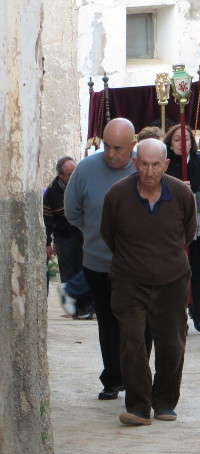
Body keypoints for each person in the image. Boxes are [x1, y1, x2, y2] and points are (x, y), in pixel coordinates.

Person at [101, 139, 196, 426]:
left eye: (156, 164)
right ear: (134, 162)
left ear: (166, 165)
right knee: (132, 341)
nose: (150, 170)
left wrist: (165, 260)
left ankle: (165, 401)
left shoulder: (180, 194)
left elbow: (188, 233)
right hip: (130, 281)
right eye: (144, 163)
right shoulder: (117, 196)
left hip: (172, 281)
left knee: (172, 344)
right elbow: (109, 235)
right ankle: (138, 406)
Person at [64, 118, 137, 400]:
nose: (110, 153)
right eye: (106, 146)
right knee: (107, 322)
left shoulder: (142, 167)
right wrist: (94, 233)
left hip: (134, 265)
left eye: (118, 148)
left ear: (132, 146)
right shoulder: (86, 169)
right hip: (97, 263)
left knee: (135, 323)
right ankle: (112, 378)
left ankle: (136, 378)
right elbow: (72, 212)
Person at [165, 124, 200, 333]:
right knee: (176, 272)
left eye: (186, 139)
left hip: (199, 225)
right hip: (173, 226)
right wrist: (177, 189)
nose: (182, 143)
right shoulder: (165, 163)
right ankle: (178, 315)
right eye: (177, 139)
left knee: (199, 271)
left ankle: (195, 308)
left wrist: (196, 193)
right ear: (170, 142)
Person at [44, 156, 91, 317]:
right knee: (69, 271)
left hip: (83, 234)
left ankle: (86, 308)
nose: (74, 176)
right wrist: (47, 242)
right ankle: (76, 309)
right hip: (64, 237)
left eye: (75, 172)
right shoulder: (51, 192)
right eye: (70, 174)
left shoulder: (82, 184)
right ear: (61, 175)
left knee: (85, 268)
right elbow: (47, 220)